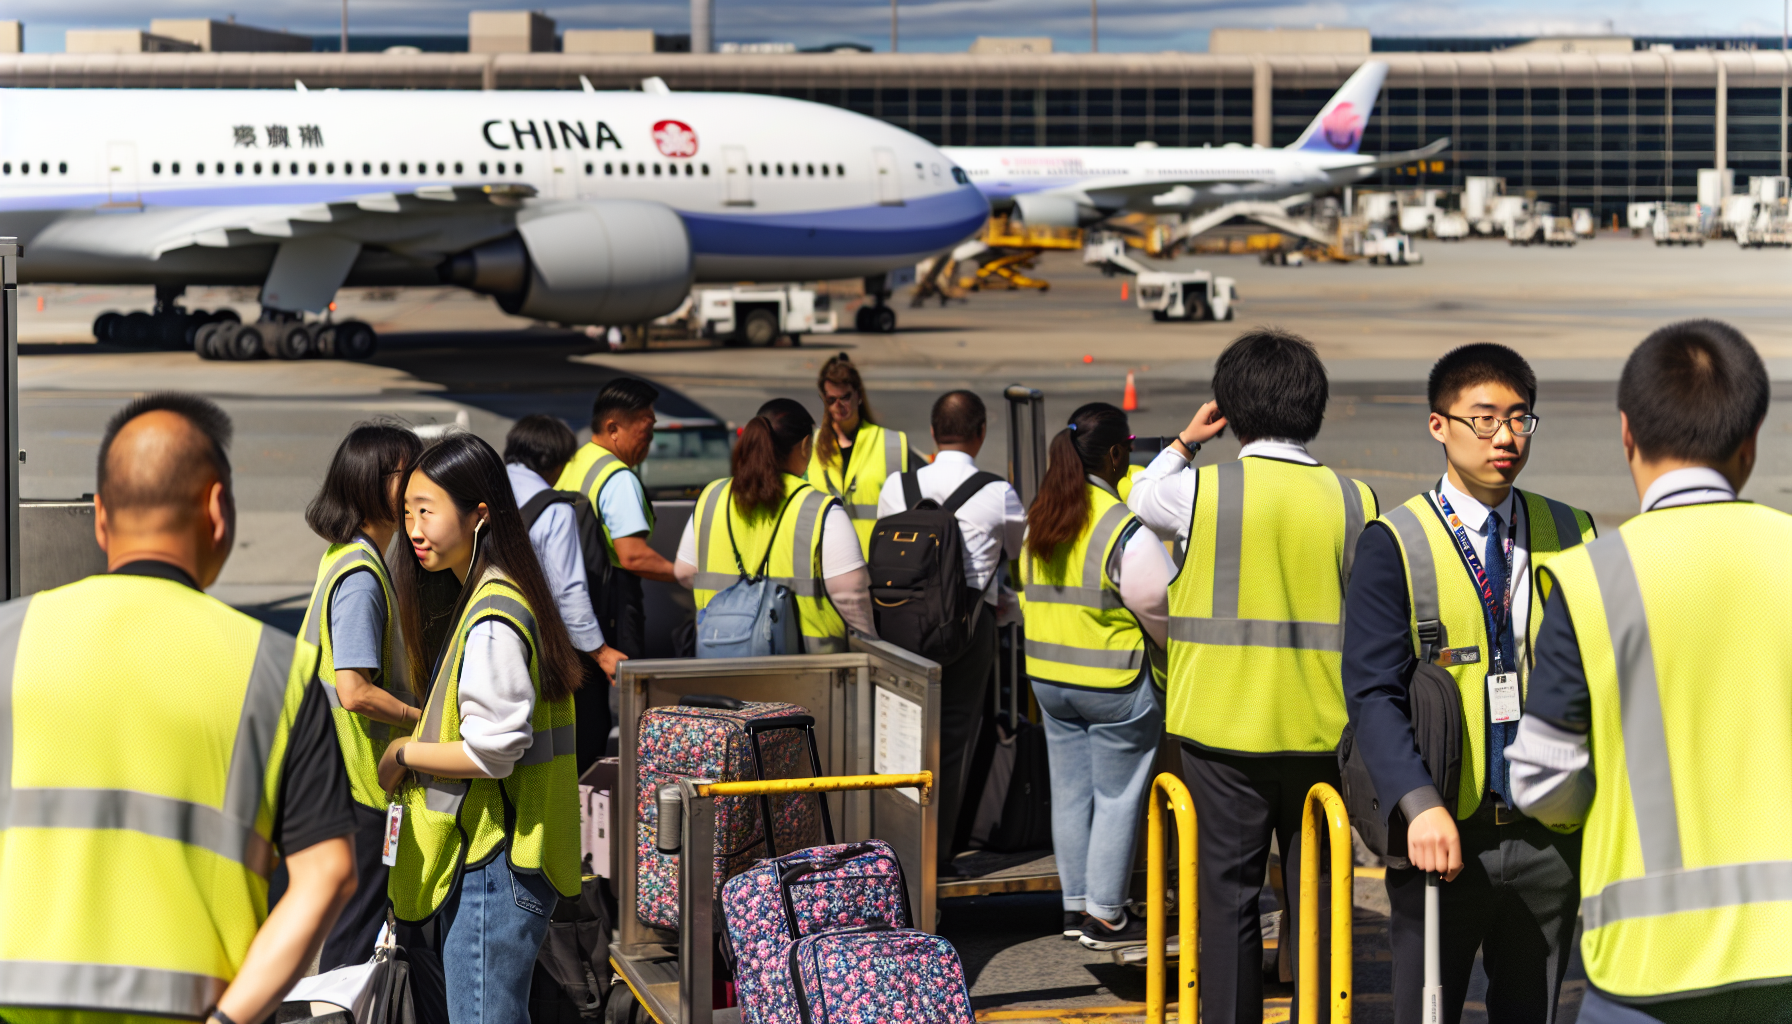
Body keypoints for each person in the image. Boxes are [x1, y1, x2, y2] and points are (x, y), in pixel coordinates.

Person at [0, 393, 357, 1024]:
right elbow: (327, 875)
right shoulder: (276, 671)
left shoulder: (10, 640)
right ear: (218, 509)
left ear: (101, 517)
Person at [1511, 320, 1792, 1022]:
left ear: (1627, 434)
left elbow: (1541, 781)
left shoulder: (1593, 579)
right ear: (1750, 442)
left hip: (1647, 967)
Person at [1126, 329, 1378, 1024]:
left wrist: (1185, 441)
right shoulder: (1356, 500)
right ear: (1315, 408)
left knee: (1228, 900)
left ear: (1231, 409)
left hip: (1223, 732)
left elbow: (1141, 493)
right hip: (1323, 731)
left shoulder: (1202, 491)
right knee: (1318, 901)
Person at [1343, 344, 1595, 1024]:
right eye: (1484, 420)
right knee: (1426, 1011)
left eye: (1520, 419)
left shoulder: (1573, 530)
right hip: (1444, 833)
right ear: (1439, 426)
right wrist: (1418, 803)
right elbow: (1371, 691)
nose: (1506, 438)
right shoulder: (1395, 540)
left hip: (1549, 839)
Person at [381, 433, 584, 1024]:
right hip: (501, 855)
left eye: (429, 510)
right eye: (409, 510)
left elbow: (496, 750)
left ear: (478, 514)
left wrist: (405, 753)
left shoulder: (493, 612)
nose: (415, 527)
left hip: (497, 861)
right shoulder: (491, 593)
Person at [1019, 401, 1173, 950]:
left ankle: (1075, 904)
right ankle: (1107, 916)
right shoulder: (1121, 527)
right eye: (1127, 451)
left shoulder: (1042, 514)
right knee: (1117, 795)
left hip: (1049, 684)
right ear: (1113, 455)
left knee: (1071, 793)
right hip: (1113, 685)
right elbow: (1158, 602)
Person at [875, 390, 1025, 878]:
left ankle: (892, 851)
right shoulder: (996, 491)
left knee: (897, 740)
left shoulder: (897, 486)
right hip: (963, 631)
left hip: (896, 629)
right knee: (952, 742)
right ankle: (936, 858)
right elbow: (1017, 550)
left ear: (933, 433)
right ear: (979, 434)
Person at [300, 422, 426, 970]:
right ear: (374, 483)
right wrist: (421, 717)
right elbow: (353, 691)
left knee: (349, 926)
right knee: (354, 937)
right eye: (408, 472)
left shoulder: (344, 555)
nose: (420, 482)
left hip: (335, 773)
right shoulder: (361, 575)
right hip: (359, 778)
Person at [676, 398, 876, 652]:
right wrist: (869, 643)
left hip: (718, 657)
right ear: (805, 446)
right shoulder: (820, 509)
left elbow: (684, 572)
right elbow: (851, 595)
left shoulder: (712, 497)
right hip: (807, 668)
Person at [506, 413, 627, 772]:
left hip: (477, 631)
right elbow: (568, 590)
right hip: (534, 648)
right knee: (561, 747)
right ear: (553, 462)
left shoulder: (482, 492)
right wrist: (601, 651)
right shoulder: (553, 509)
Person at [556, 378, 677, 662]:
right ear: (613, 429)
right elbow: (633, 557)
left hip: (572, 601)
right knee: (623, 697)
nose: (650, 440)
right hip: (612, 607)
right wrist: (683, 574)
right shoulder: (619, 478)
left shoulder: (576, 460)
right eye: (646, 430)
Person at [807, 352, 912, 549]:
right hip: (826, 563)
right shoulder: (810, 446)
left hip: (875, 562)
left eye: (844, 397)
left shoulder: (891, 443)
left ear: (858, 395)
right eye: (831, 400)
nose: (838, 406)